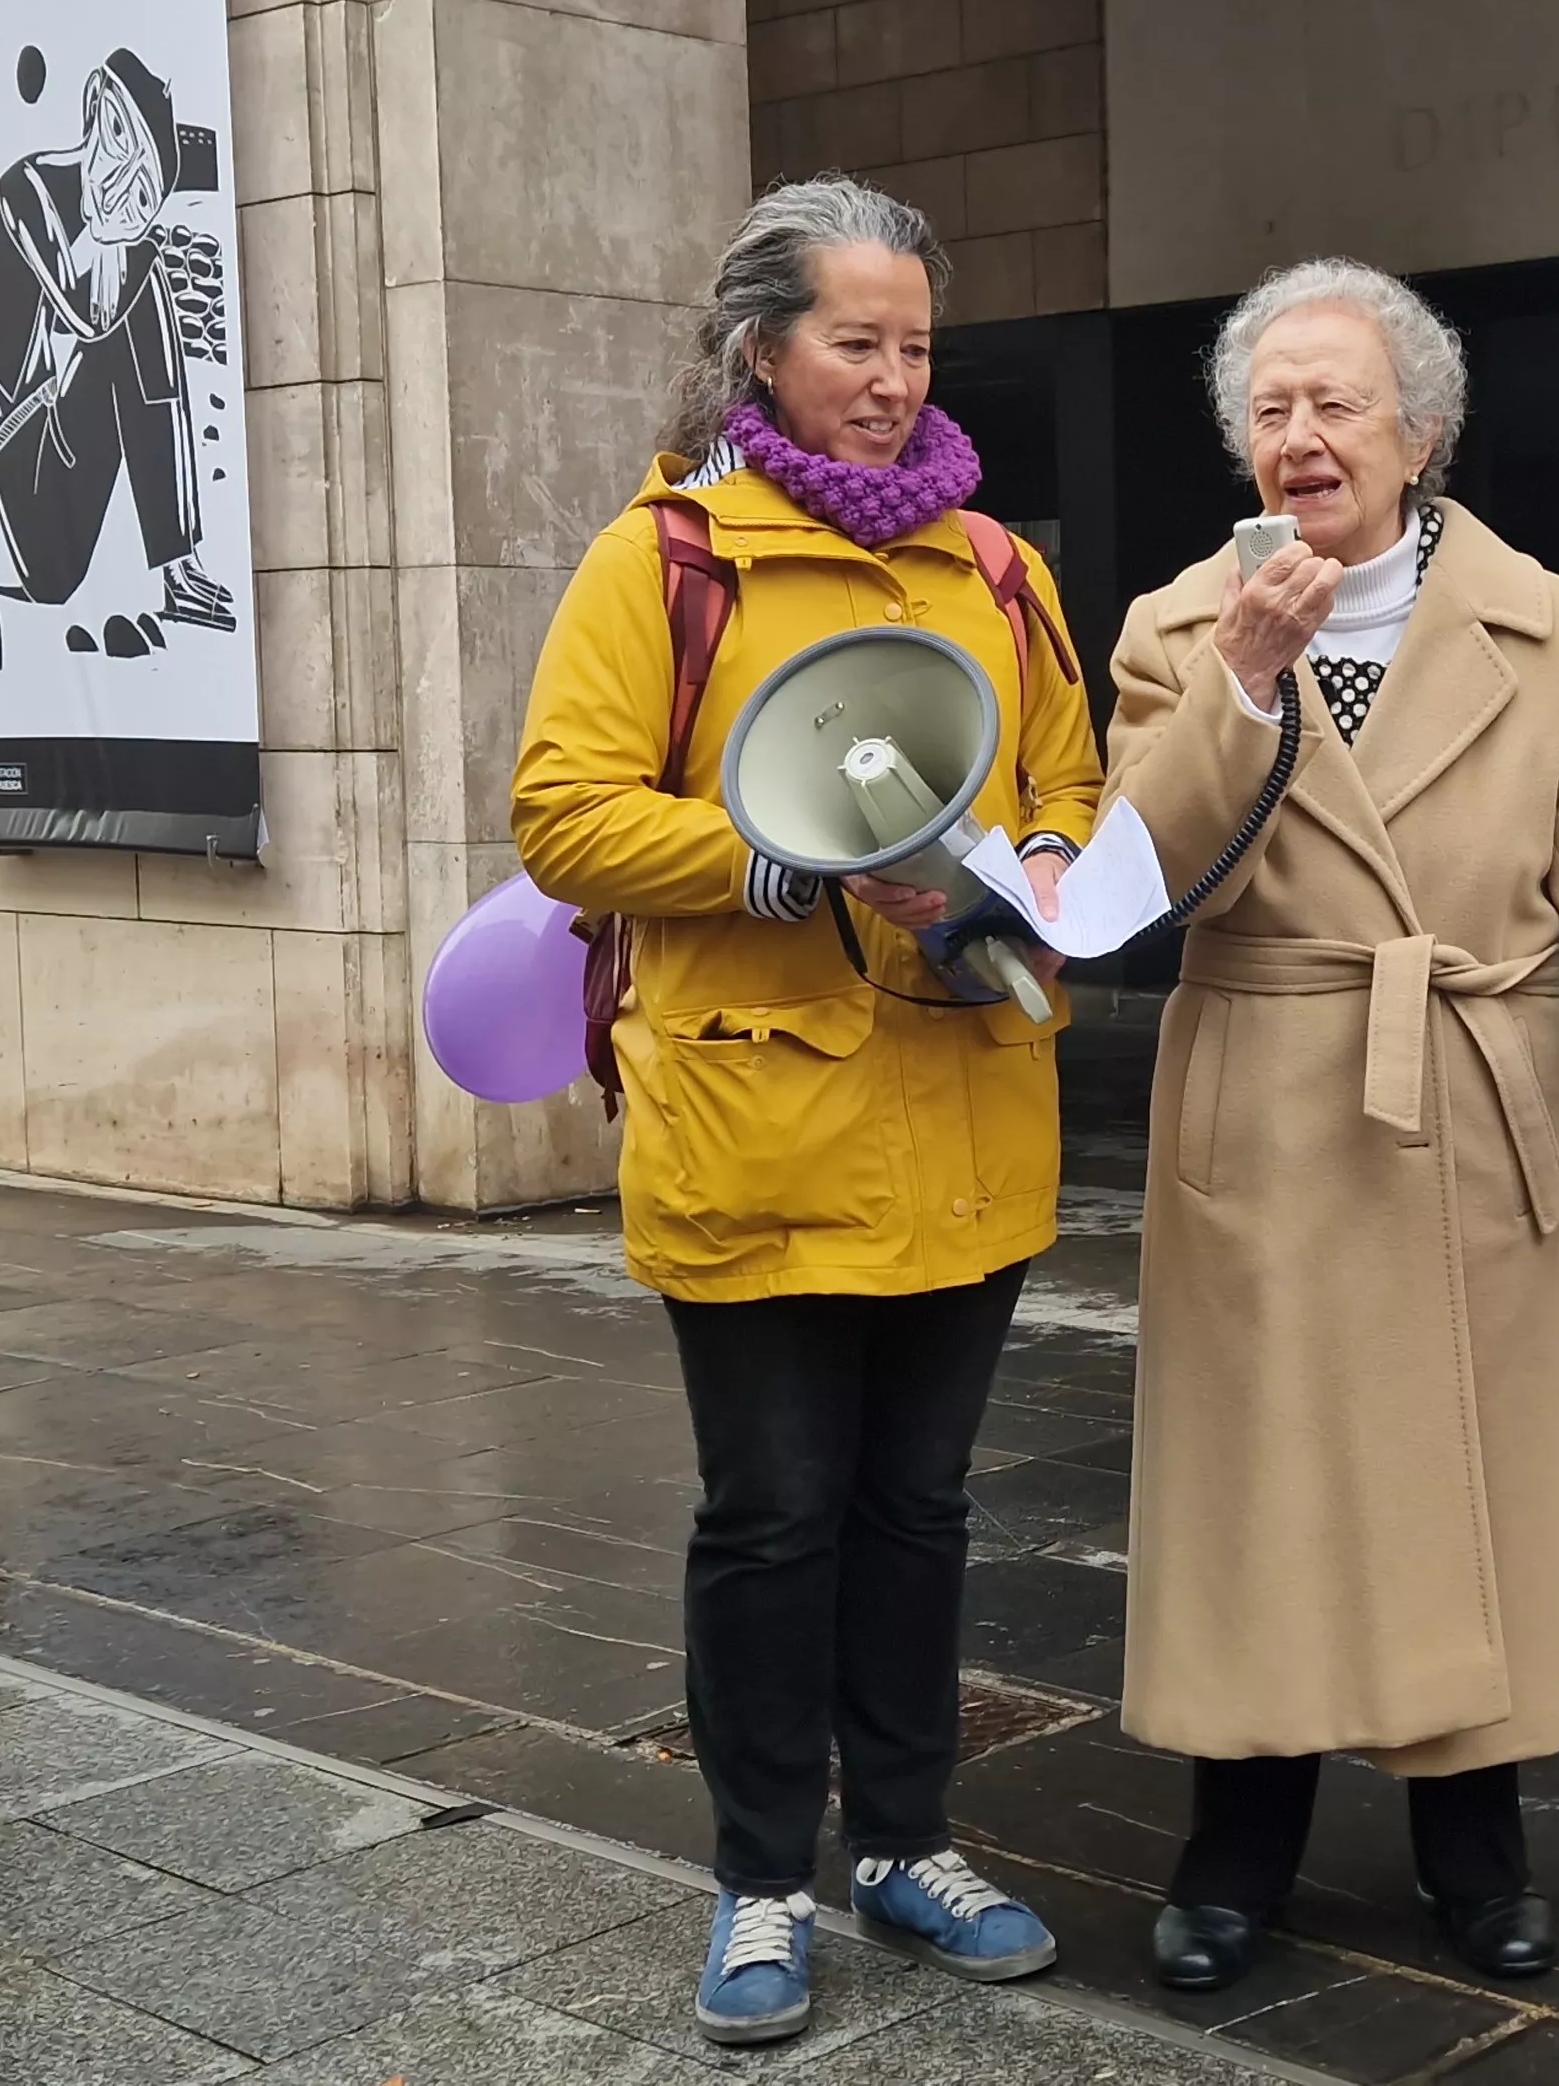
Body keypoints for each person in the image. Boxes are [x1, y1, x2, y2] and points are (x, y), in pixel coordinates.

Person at [513, 178, 1098, 2049]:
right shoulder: (669, 561)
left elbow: (1075, 798)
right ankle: (765, 1871)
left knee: (918, 1510)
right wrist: (782, 868)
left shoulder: (999, 569)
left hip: (963, 1113)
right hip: (758, 1129)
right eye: (858, 341)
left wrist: (1008, 889)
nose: (892, 378)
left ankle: (910, 1840)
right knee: (773, 1518)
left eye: (916, 345)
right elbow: (563, 812)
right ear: (760, 346)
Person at [1100, 260, 1559, 1993]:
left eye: (1333, 401)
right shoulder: (1173, 622)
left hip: (1466, 1083)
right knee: (1258, 1478)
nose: (1298, 434)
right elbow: (1140, 865)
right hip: (1270, 1086)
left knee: (1473, 1480)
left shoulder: (1552, 622)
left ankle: (1474, 1838)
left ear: (1419, 430)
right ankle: (1239, 1836)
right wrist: (1247, 687)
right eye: (1268, 407)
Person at [0, 49, 234, 657]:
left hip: (66, 465)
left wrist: (125, 240)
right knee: (139, 295)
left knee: (147, 286)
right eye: (118, 136)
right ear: (94, 106)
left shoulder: (115, 236)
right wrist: (121, 240)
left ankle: (178, 567)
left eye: (140, 183)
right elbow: (85, 317)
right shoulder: (24, 192)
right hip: (26, 476)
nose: (117, 179)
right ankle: (176, 568)